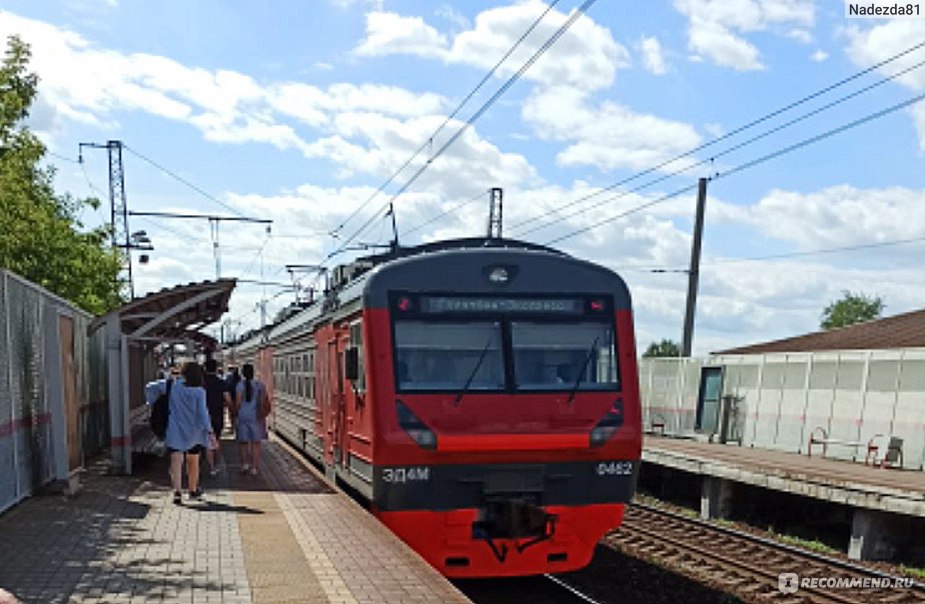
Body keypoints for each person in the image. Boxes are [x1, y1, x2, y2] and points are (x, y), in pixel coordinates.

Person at [145, 362, 216, 504]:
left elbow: (149, 387)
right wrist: (210, 431)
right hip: (195, 432)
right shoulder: (199, 391)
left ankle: (177, 492)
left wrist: (152, 403)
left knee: (176, 461)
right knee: (193, 461)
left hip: (175, 429)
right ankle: (192, 489)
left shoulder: (172, 385)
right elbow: (203, 413)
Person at [235, 363, 269, 475]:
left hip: (243, 415)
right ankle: (254, 467)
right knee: (256, 443)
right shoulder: (260, 385)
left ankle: (245, 464)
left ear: (243, 373)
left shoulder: (240, 385)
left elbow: (238, 402)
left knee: (243, 442)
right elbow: (264, 400)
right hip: (256, 416)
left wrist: (235, 413)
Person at [202, 359, 227, 476]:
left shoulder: (201, 383)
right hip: (218, 415)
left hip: (204, 416)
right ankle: (217, 465)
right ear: (216, 368)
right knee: (216, 440)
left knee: (207, 442)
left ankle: (211, 467)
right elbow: (227, 398)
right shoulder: (221, 382)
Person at [224, 365, 241, 436]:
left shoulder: (227, 377)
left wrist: (227, 401)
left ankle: (233, 427)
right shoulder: (240, 378)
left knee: (231, 413)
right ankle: (237, 428)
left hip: (231, 397)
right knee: (237, 414)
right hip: (238, 397)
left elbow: (226, 389)